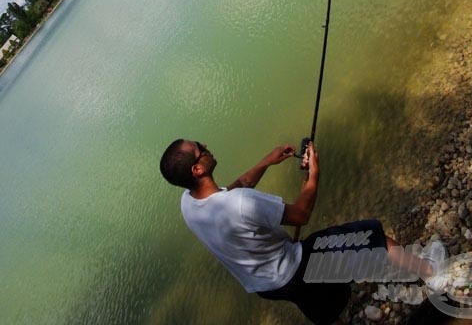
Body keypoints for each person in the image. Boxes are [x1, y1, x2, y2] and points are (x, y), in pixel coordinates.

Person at [159, 139, 437, 324]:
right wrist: (313, 173)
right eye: (200, 149)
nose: (206, 146)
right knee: (374, 238)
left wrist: (266, 161)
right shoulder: (241, 204)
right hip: (295, 268)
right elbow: (300, 213)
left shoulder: (189, 203)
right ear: (197, 169)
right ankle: (436, 277)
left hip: (265, 285)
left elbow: (236, 187)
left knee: (322, 308)